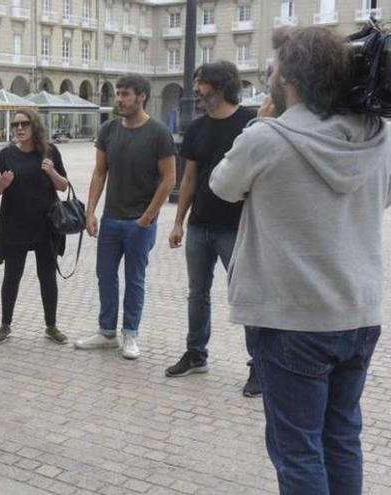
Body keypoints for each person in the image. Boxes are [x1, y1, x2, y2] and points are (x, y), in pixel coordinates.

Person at [210, 27, 391, 494]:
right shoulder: (379, 137)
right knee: (342, 436)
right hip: (358, 313)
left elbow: (222, 186)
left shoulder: (265, 139)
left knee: (298, 449)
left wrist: (262, 123)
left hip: (293, 319)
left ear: (289, 80)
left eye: (272, 71)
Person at [164, 61, 261, 397]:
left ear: (220, 85)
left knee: (246, 298)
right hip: (199, 226)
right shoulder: (196, 127)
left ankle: (259, 367)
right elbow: (188, 177)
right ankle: (196, 354)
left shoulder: (250, 122)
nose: (196, 89)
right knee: (197, 294)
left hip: (237, 228)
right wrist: (179, 221)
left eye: (201, 82)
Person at [74, 74, 176, 360]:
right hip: (111, 219)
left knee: (135, 279)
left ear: (141, 96)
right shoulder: (108, 130)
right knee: (105, 276)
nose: (119, 99)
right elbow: (99, 172)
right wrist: (90, 211)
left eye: (125, 94)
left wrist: (147, 217)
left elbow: (169, 179)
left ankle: (130, 333)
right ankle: (107, 333)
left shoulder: (158, 133)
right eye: (118, 93)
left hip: (139, 222)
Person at [0, 108, 69, 345]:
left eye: (25, 124)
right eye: (16, 125)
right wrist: (1, 186)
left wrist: (52, 172)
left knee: (47, 277)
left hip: (46, 225)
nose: (20, 128)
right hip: (15, 226)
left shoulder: (50, 151)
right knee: (12, 276)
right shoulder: (5, 155)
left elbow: (64, 186)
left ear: (35, 126)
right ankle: (5, 324)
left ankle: (51, 326)